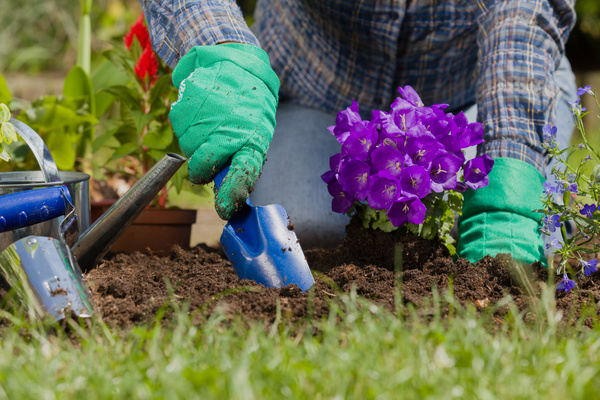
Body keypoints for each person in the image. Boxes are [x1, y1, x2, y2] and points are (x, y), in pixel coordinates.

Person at [139, 0, 577, 265]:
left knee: (534, 237)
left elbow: (522, 12)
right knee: (305, 230)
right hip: (319, 83)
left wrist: (511, 175)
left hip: (473, 89)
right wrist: (221, 47)